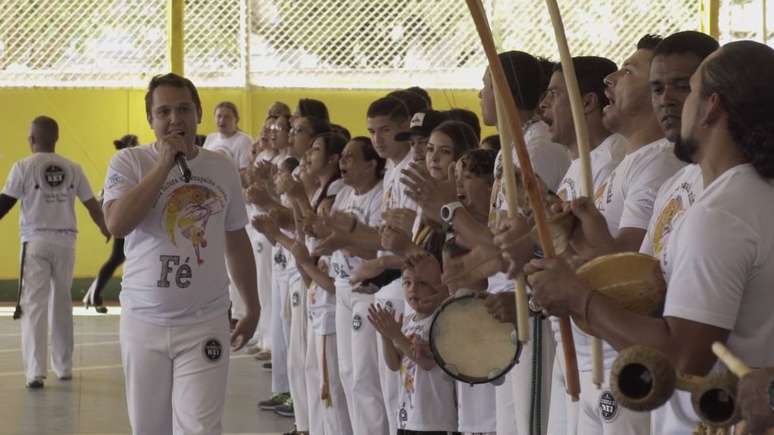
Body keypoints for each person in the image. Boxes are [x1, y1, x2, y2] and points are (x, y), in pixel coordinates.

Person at [525, 40, 774, 435]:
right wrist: (590, 253)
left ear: (711, 106)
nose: (673, 103)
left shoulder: (718, 216)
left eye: (688, 89)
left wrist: (578, 298)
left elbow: (682, 357)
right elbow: (661, 301)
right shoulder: (751, 195)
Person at [102, 73, 259, 434]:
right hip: (144, 321)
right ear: (151, 120)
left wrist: (252, 304)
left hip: (205, 321)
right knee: (149, 428)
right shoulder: (129, 163)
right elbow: (117, 224)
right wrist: (162, 166)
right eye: (164, 111)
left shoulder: (221, 167)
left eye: (184, 109)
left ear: (199, 113)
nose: (175, 119)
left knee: (201, 428)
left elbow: (235, 239)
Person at [0, 115, 110, 388]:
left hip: (35, 243)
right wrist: (106, 229)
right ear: (56, 138)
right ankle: (64, 367)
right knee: (61, 303)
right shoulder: (73, 168)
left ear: (32, 139)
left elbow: (5, 203)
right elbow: (92, 205)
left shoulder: (22, 166)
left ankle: (35, 372)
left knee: (34, 306)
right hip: (66, 244)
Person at [368, 252, 457, 434]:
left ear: (439, 287)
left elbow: (427, 363)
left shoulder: (442, 320)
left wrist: (396, 336)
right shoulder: (408, 321)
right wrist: (386, 336)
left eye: (422, 283)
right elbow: (394, 364)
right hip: (408, 414)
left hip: (433, 418)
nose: (412, 289)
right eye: (407, 282)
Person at [82, 134, 140, 313]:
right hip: (123, 220)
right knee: (117, 258)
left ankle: (93, 294)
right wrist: (107, 222)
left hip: (133, 220)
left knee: (120, 258)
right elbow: (103, 197)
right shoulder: (121, 167)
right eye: (134, 145)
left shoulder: (136, 166)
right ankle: (93, 294)